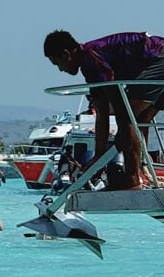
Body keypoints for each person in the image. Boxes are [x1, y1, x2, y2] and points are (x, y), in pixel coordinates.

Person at [45, 30, 164, 190]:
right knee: (140, 120)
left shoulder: (91, 56)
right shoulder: (89, 67)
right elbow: (102, 114)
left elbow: (119, 104)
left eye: (57, 63)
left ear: (67, 54)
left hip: (159, 60)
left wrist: (121, 137)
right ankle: (137, 176)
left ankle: (132, 179)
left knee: (127, 119)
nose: (60, 69)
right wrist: (99, 156)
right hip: (155, 64)